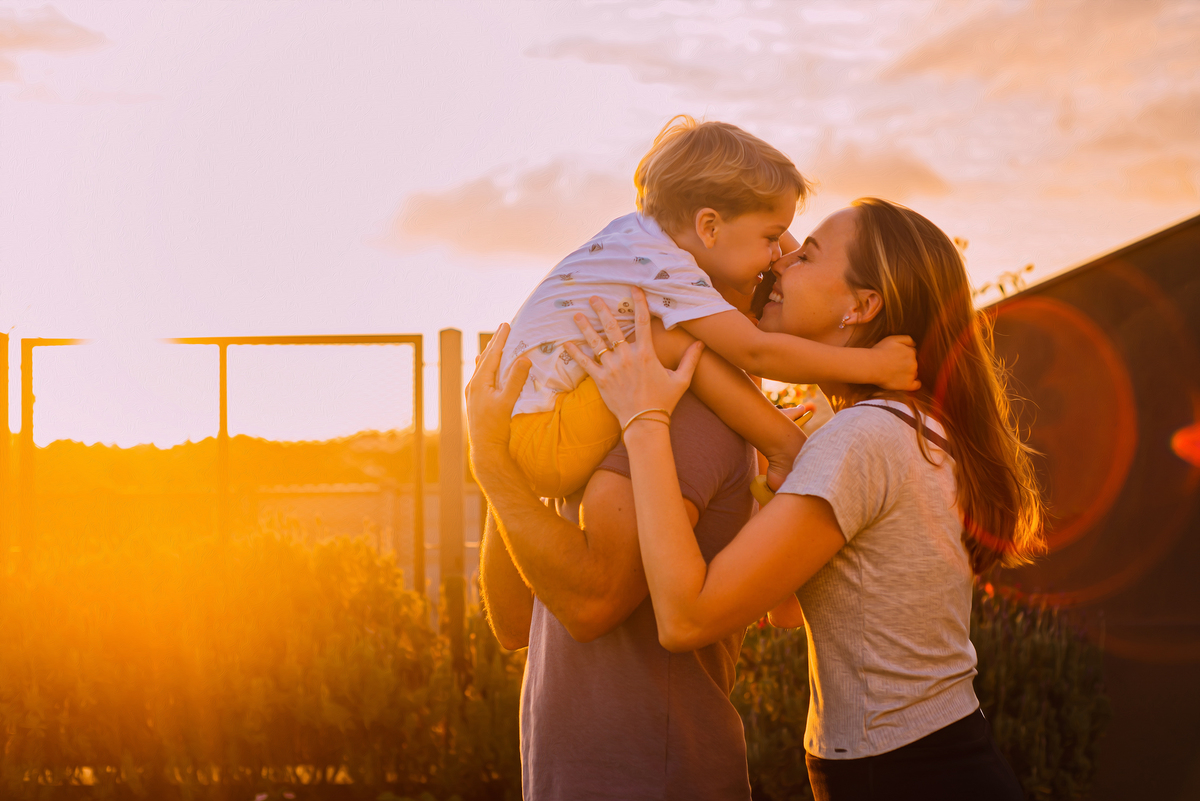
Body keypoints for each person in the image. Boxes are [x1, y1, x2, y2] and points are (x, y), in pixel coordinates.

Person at [504, 198, 1045, 801]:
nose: (779, 265)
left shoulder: (862, 438)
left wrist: (645, 417)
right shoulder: (891, 428)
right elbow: (787, 607)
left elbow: (685, 618)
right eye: (777, 246)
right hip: (910, 762)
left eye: (805, 254)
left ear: (862, 306)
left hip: (908, 774)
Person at [500, 116, 918, 500]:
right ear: (709, 227)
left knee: (670, 338)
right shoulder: (666, 269)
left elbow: (757, 239)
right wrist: (873, 366)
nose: (778, 257)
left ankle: (776, 438)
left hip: (525, 427)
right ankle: (785, 447)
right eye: (773, 238)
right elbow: (754, 351)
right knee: (677, 341)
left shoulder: (639, 237)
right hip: (541, 440)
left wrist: (771, 233)